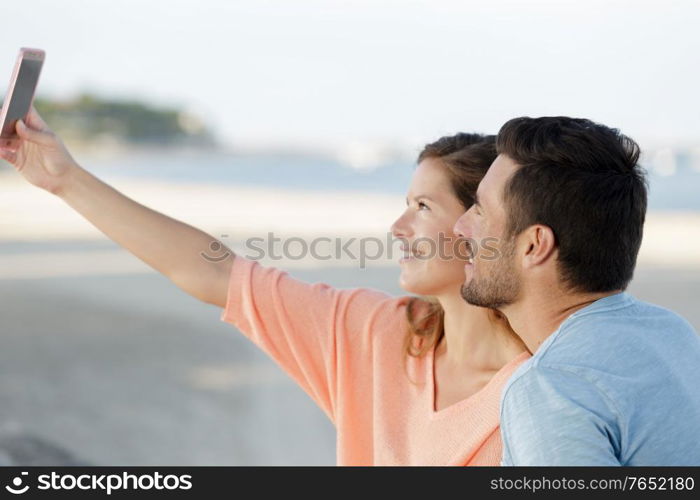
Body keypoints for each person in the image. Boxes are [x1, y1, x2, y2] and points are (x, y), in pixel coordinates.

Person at [1, 108, 529, 465]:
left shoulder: (544, 387)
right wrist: (63, 179)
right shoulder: (377, 333)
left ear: (481, 225)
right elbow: (213, 272)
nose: (397, 229)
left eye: (422, 208)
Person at [453, 116, 700, 465]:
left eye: (480, 211)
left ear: (534, 245)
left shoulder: (552, 387)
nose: (460, 227)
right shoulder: (671, 333)